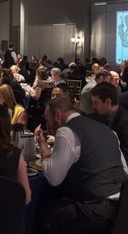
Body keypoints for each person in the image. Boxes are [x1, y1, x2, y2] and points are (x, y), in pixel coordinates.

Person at [34, 98, 127, 234]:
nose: (48, 125)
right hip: (123, 208)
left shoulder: (67, 131)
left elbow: (54, 178)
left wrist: (42, 144)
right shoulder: (109, 131)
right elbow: (125, 171)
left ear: (58, 115)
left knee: (48, 205)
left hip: (97, 212)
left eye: (48, 120)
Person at [91, 82, 128, 163]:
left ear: (108, 102)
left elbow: (125, 156)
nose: (93, 106)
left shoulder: (124, 122)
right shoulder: (106, 115)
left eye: (96, 102)